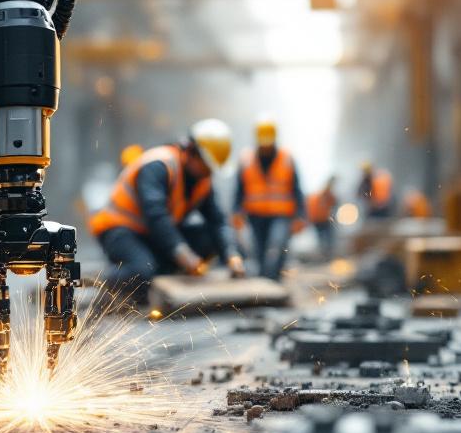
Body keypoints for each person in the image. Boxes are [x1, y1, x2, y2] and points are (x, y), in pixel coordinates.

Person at [91, 119, 246, 302]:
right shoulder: (158, 165)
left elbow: (217, 221)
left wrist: (232, 255)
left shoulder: (203, 180)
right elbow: (156, 217)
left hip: (153, 236)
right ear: (191, 151)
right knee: (141, 271)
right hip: (120, 230)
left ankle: (155, 273)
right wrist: (185, 256)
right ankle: (105, 283)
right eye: (206, 165)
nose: (208, 173)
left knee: (209, 239)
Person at [232, 117, 305, 280]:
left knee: (276, 246)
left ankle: (272, 280)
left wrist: (301, 215)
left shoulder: (287, 158)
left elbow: (297, 189)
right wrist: (236, 211)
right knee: (259, 251)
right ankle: (264, 281)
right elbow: (239, 190)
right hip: (255, 215)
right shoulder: (246, 159)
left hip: (281, 215)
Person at [308, 176, 338, 260]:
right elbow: (332, 202)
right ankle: (325, 255)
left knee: (323, 238)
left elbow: (333, 202)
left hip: (319, 219)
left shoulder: (320, 195)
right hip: (321, 219)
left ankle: (325, 254)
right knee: (326, 237)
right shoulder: (323, 194)